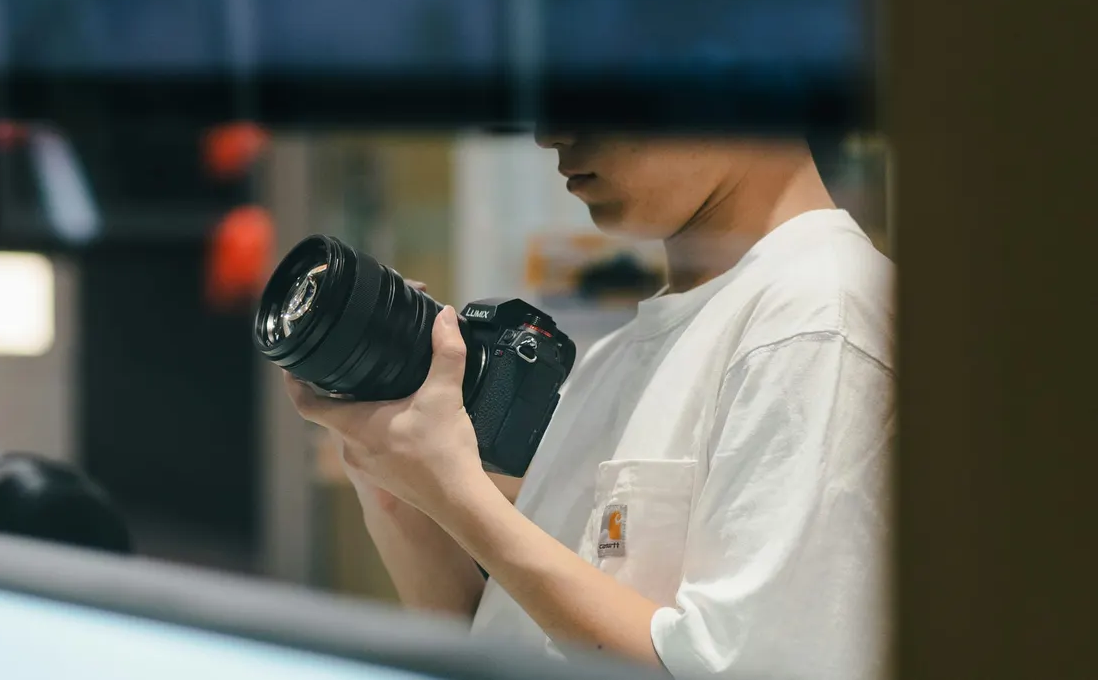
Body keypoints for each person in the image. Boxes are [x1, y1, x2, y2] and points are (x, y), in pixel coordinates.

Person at [283, 134, 894, 679]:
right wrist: (390, 481)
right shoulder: (615, 357)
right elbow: (504, 639)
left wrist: (457, 497)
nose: (552, 134)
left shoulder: (819, 318)